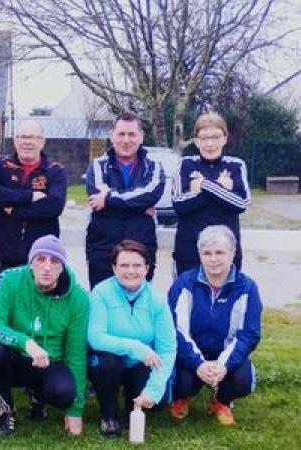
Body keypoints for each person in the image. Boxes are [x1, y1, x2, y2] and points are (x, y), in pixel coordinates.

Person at [0, 235, 89, 437]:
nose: (47, 267)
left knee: (65, 393)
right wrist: (26, 343)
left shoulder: (78, 297)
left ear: (62, 267)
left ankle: (38, 396)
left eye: (54, 261)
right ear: (31, 263)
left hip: (51, 361)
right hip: (15, 356)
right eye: (40, 259)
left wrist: (76, 411)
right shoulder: (9, 279)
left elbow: (76, 354)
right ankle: (5, 410)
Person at [168, 225, 262, 426]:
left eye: (219, 252)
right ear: (199, 255)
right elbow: (176, 330)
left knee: (243, 381)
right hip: (190, 355)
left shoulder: (247, 287)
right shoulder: (184, 283)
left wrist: (223, 365)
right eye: (206, 253)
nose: (213, 259)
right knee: (180, 381)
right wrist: (198, 364)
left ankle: (222, 401)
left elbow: (249, 334)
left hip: (225, 353)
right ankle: (181, 397)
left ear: (232, 253)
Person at [87, 239, 176, 437]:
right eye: (124, 265)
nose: (130, 271)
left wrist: (153, 390)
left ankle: (132, 405)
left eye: (137, 265)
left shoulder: (157, 300)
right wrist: (136, 347)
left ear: (147, 268)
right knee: (107, 364)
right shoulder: (101, 292)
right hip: (108, 360)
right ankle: (108, 415)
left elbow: (167, 349)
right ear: (114, 268)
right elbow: (95, 337)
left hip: (140, 364)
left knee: (158, 401)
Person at [85, 112, 165, 288]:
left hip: (142, 247)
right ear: (112, 136)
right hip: (102, 250)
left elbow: (151, 194)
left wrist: (109, 198)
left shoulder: (154, 167)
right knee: (103, 305)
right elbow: (96, 194)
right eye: (121, 134)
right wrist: (137, 205)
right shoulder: (97, 165)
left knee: (139, 308)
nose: (126, 140)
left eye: (132, 134)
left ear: (141, 137)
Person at [0, 119, 67, 272]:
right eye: (23, 137)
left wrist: (14, 210)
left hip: (41, 259)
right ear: (15, 141)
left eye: (32, 137)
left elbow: (54, 206)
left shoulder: (55, 170)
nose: (27, 142)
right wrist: (29, 197)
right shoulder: (1, 165)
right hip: (7, 257)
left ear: (42, 142)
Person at [172, 112, 251, 274]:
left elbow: (241, 203)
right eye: (204, 138)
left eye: (215, 137)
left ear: (225, 138)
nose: (210, 143)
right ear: (196, 141)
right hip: (189, 252)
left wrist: (204, 185)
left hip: (226, 253)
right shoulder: (185, 164)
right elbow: (179, 204)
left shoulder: (236, 165)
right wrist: (222, 189)